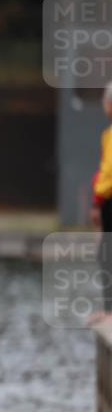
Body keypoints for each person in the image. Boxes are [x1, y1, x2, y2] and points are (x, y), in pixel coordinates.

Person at [92, 81, 112, 325]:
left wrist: (98, 198)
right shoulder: (107, 136)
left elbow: (107, 175)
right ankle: (108, 309)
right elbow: (102, 172)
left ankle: (110, 311)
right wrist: (97, 203)